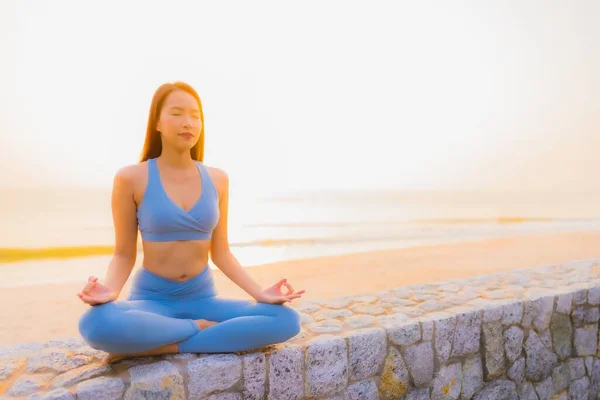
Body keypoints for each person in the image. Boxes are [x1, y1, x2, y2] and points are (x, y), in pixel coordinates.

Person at [77, 81, 304, 360]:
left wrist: (260, 292)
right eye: (176, 113)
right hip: (152, 301)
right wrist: (109, 291)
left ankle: (166, 344)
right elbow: (123, 254)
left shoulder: (218, 179)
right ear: (157, 123)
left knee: (286, 320)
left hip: (204, 299)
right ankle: (197, 330)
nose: (188, 123)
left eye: (195, 116)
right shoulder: (131, 178)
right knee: (96, 324)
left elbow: (221, 252)